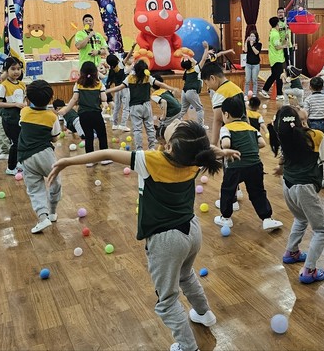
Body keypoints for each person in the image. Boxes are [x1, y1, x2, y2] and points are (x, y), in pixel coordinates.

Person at [47, 120, 236, 351]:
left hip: (167, 241)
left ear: (170, 147)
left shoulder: (150, 160)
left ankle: (188, 347)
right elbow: (205, 149)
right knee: (186, 276)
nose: (175, 121)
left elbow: (107, 153)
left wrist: (67, 161)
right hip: (192, 230)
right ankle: (204, 314)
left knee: (167, 300)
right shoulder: (196, 159)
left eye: (176, 125)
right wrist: (221, 151)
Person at [268, 105, 324, 284]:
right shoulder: (316, 136)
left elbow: (284, 159)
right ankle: (309, 270)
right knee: (322, 230)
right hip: (305, 189)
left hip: (288, 186)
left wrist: (281, 169)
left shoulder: (283, 136)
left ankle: (291, 252)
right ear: (299, 121)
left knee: (301, 219)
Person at [214, 97, 282, 231]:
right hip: (255, 166)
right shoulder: (251, 128)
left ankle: (226, 218)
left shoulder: (226, 128)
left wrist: (226, 150)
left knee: (228, 190)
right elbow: (262, 143)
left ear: (226, 114)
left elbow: (226, 143)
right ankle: (267, 219)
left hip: (235, 167)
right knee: (258, 192)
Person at [16, 80, 62, 233]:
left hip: (26, 156)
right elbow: (54, 138)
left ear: (28, 98)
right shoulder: (52, 117)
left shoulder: (24, 112)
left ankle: (43, 218)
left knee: (35, 189)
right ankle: (53, 212)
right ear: (51, 99)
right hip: (45, 155)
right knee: (55, 182)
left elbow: (23, 126)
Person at [107, 59, 178, 151]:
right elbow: (160, 84)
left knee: (137, 130)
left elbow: (119, 87)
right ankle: (151, 148)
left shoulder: (130, 78)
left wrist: (107, 91)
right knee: (150, 128)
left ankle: (139, 150)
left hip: (134, 107)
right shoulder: (148, 78)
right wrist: (172, 88)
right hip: (146, 106)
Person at [57, 62, 111, 165]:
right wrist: (103, 101)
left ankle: (89, 161)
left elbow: (74, 99)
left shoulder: (78, 84)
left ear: (82, 72)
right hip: (96, 114)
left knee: (88, 136)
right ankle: (104, 158)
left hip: (83, 115)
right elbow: (104, 98)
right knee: (102, 135)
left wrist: (65, 110)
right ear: (95, 72)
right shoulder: (99, 83)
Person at [0, 57, 26, 175]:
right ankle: (11, 167)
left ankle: (19, 163)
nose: (16, 71)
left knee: (21, 141)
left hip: (20, 117)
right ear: (6, 70)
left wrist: (24, 106)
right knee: (15, 142)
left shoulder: (22, 84)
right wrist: (15, 104)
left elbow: (24, 100)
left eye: (18, 69)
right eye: (13, 69)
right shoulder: (4, 85)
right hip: (9, 118)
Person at [200, 61, 245, 144]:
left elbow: (218, 121)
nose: (208, 87)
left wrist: (213, 144)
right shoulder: (237, 89)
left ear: (212, 78)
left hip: (232, 138)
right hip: (245, 133)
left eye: (206, 83)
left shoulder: (219, 94)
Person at [260, 17, 287, 100]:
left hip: (275, 57)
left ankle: (264, 90)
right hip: (276, 58)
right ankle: (279, 94)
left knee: (274, 75)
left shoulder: (273, 32)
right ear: (277, 24)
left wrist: (285, 38)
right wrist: (284, 46)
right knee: (279, 76)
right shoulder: (275, 34)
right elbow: (277, 47)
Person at [105, 50, 132, 132]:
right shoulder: (121, 65)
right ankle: (123, 124)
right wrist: (132, 48)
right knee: (126, 107)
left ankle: (115, 124)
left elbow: (109, 57)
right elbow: (128, 56)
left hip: (117, 89)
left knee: (116, 107)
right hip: (124, 88)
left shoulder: (111, 69)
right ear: (116, 60)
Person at [179, 49, 205, 126]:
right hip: (191, 91)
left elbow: (194, 62)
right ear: (191, 64)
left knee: (182, 110)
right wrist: (206, 50)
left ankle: (173, 122)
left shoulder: (186, 71)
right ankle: (201, 126)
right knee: (199, 109)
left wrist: (186, 57)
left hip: (184, 92)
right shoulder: (196, 69)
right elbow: (202, 59)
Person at [243, 30, 262, 96]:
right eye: (251, 36)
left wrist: (252, 45)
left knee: (254, 80)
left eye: (253, 36)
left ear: (256, 37)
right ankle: (245, 95)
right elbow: (245, 50)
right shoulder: (248, 43)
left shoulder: (259, 44)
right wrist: (246, 41)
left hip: (255, 65)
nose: (252, 38)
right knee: (247, 80)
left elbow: (256, 52)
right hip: (248, 64)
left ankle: (254, 94)